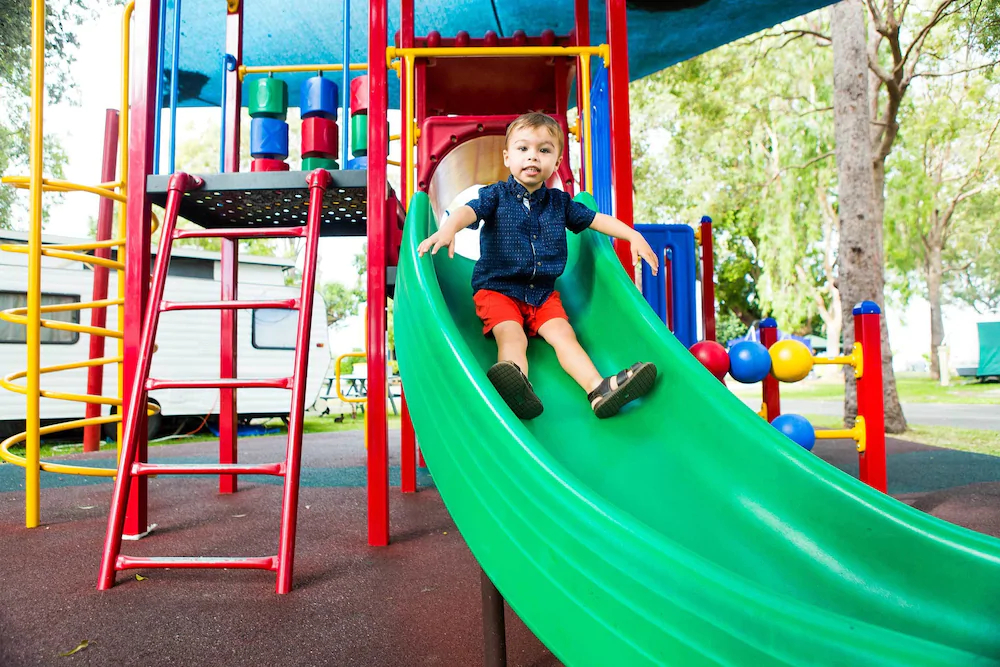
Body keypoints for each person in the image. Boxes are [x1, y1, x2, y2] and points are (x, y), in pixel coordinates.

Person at [417, 112, 659, 419]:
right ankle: (515, 383)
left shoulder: (560, 203)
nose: (533, 156)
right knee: (511, 334)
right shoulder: (496, 195)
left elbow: (597, 220)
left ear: (556, 163)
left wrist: (632, 234)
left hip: (543, 294)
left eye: (544, 150)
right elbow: (469, 211)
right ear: (507, 157)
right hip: (498, 289)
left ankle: (598, 390)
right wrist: (449, 227)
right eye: (523, 149)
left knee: (564, 336)